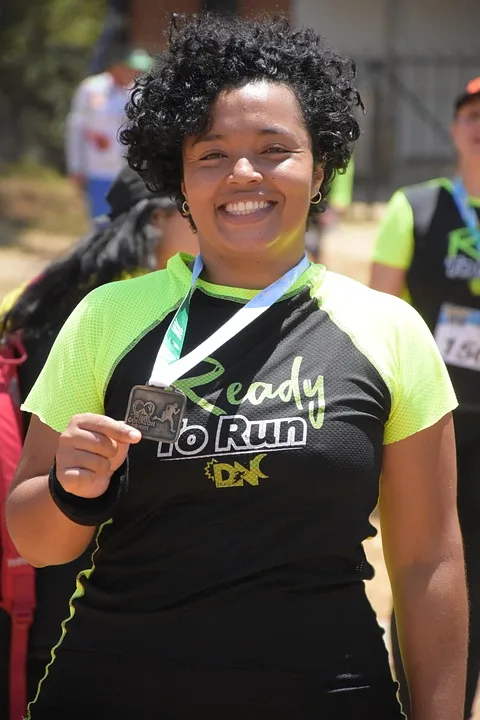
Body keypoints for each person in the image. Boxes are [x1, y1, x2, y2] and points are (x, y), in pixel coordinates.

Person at [6, 14, 467, 720]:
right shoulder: (108, 316)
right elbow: (37, 543)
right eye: (211, 154)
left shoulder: (387, 329)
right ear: (180, 179)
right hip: (113, 691)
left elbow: (428, 560)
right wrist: (73, 488)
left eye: (274, 149)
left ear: (321, 168)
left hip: (328, 693)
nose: (243, 173)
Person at [0, 166, 197, 718]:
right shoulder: (126, 307)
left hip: (30, 539)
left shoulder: (40, 288)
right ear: (159, 218)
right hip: (88, 552)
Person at [370, 76, 480, 719]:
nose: (479, 123)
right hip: (435, 422)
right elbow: (382, 316)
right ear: (453, 128)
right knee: (429, 571)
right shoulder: (415, 205)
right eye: (470, 112)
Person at [65, 41, 152, 219]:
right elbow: (76, 129)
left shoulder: (136, 92)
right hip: (97, 170)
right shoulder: (91, 88)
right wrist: (76, 166)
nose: (136, 74)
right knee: (101, 223)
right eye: (132, 69)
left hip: (126, 171)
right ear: (118, 66)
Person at [305, 158, 355, 262]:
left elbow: (342, 165)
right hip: (303, 195)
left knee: (313, 244)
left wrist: (341, 197)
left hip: (321, 199)